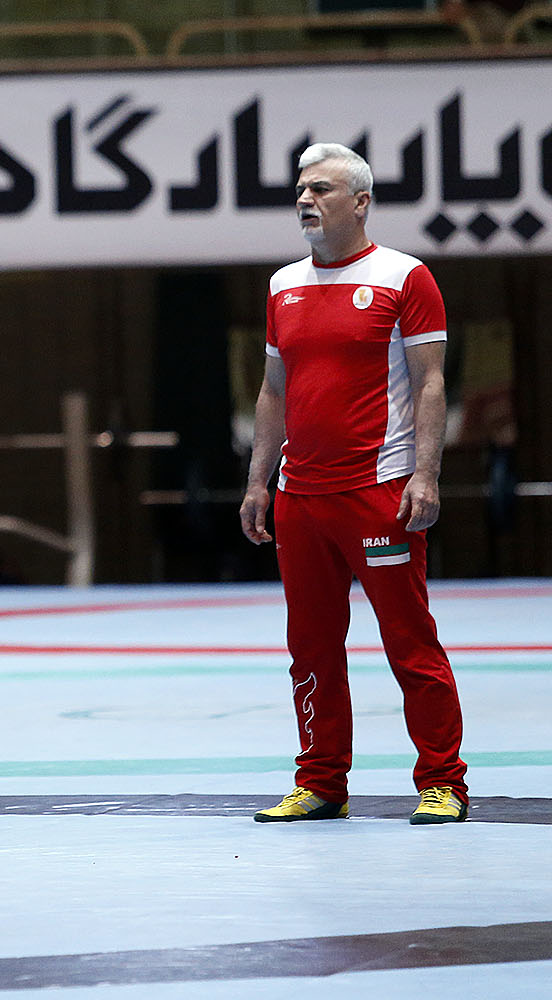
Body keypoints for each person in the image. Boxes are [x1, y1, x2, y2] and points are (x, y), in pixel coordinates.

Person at [240, 143, 468, 826]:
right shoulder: (283, 285)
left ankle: (443, 782)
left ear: (360, 202)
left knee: (409, 641)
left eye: (321, 189)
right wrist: (257, 482)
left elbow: (431, 382)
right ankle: (320, 782)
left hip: (378, 493)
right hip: (300, 497)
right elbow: (273, 390)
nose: (305, 200)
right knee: (310, 648)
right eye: (300, 190)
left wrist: (426, 473)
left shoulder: (405, 277)